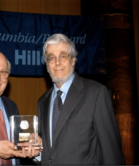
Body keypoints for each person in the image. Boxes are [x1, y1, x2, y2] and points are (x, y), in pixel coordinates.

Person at [36, 34, 125, 164]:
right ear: (46, 62)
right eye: (51, 57)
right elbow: (51, 153)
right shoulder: (42, 102)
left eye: (63, 56)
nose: (57, 62)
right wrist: (36, 153)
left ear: (73, 60)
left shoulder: (96, 93)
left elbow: (112, 154)